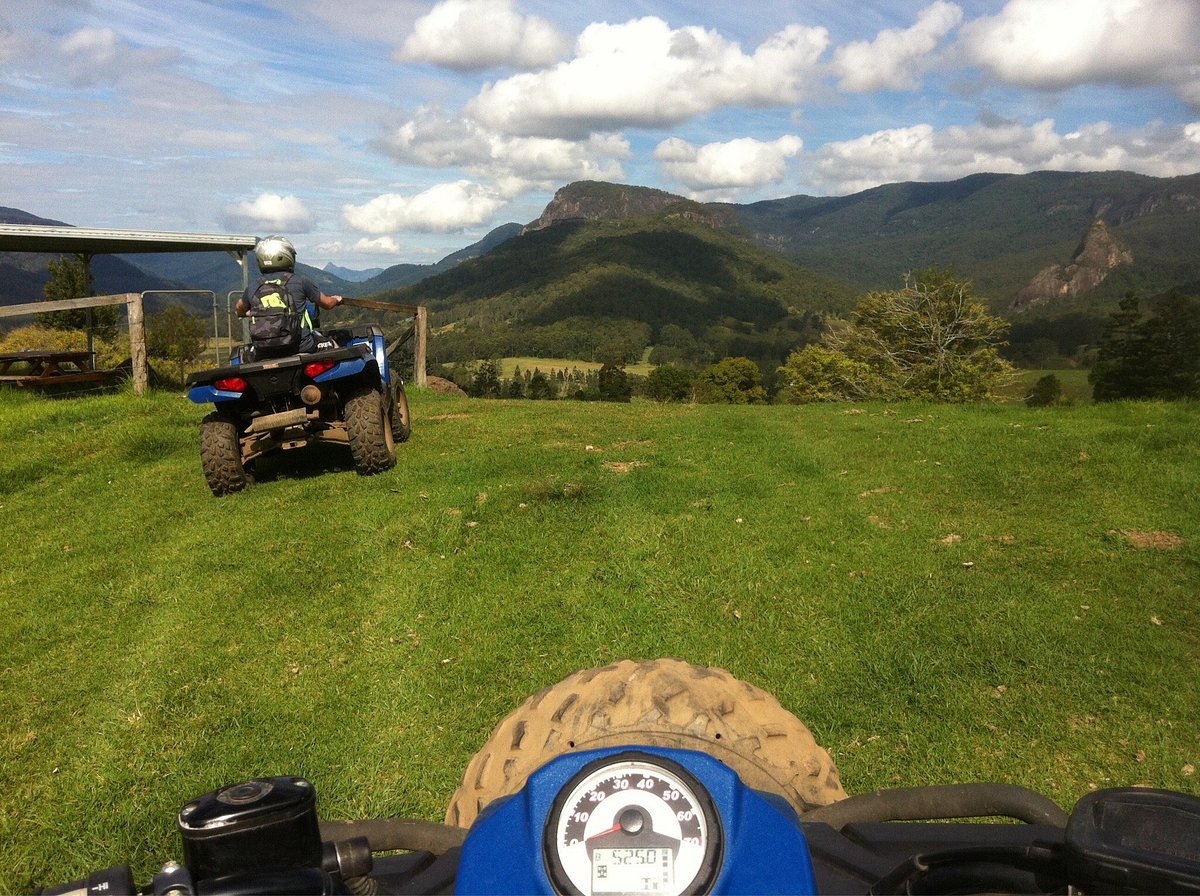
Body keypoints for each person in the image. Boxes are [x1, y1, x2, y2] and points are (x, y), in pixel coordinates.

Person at [236, 235, 344, 355]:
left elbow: (240, 307)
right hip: (301, 346)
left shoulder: (253, 286)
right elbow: (327, 304)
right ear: (286, 256)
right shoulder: (300, 281)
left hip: (264, 351)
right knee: (334, 347)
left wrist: (247, 313)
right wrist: (336, 299)